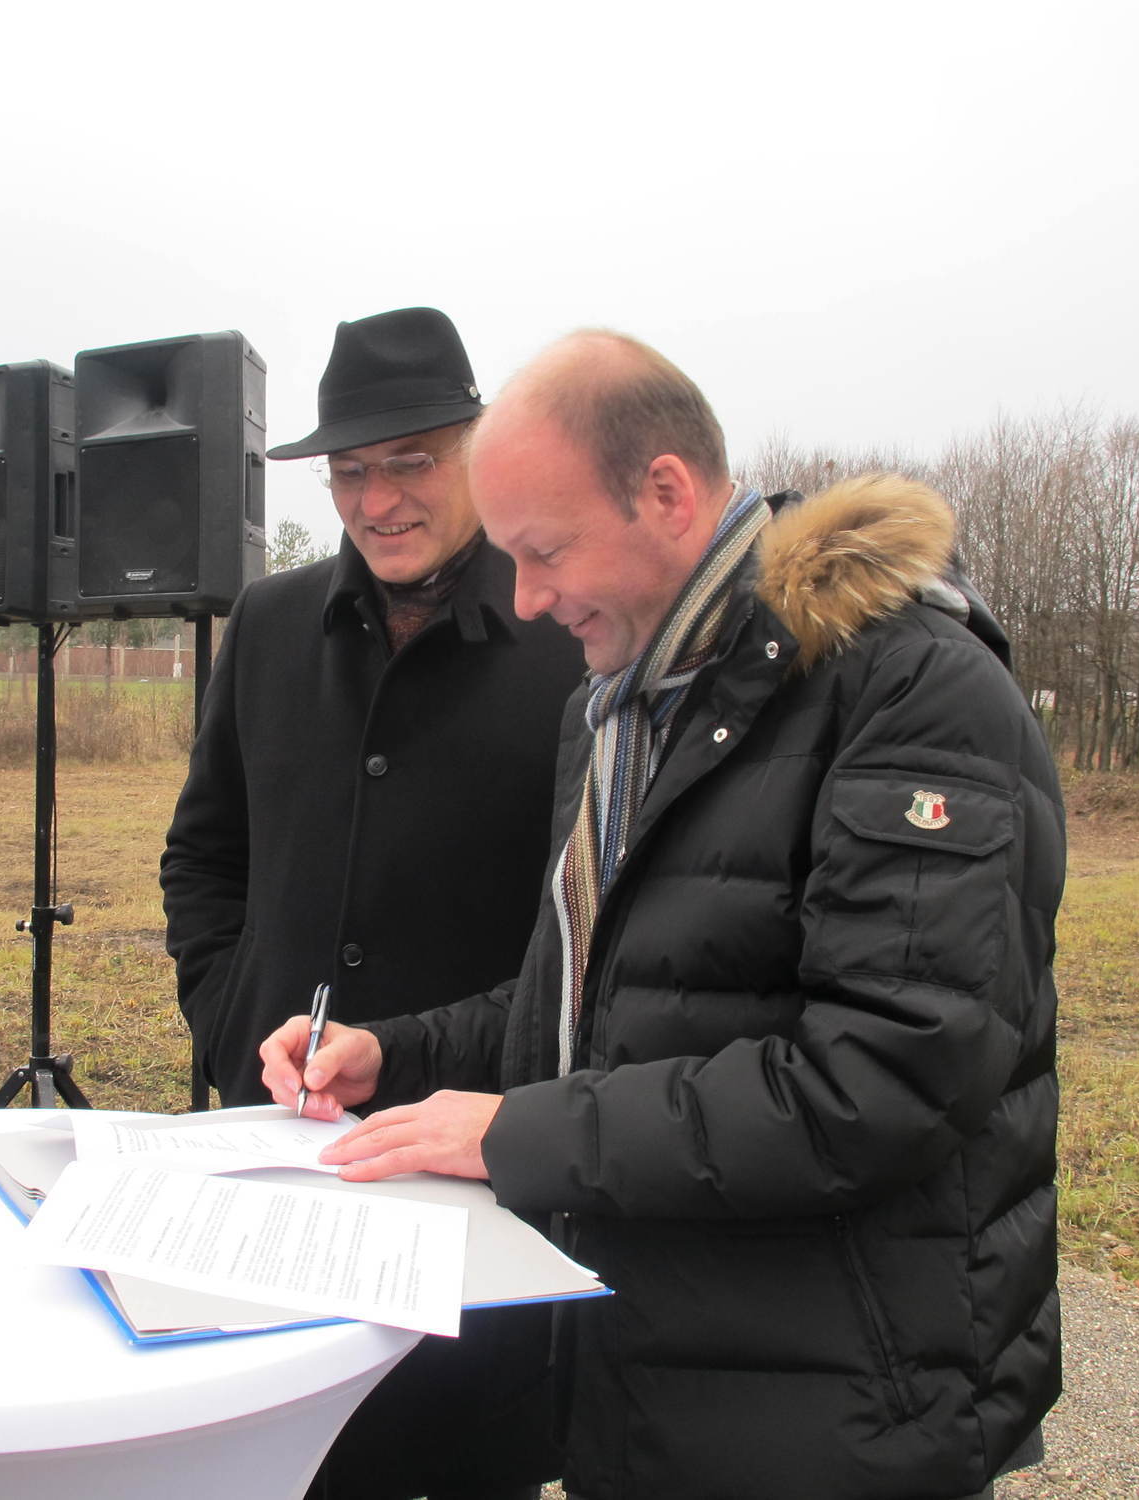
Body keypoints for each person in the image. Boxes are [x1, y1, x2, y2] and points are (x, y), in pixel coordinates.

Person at [263, 331, 1064, 1500]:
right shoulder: (617, 708)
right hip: (648, 1384)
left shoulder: (909, 689)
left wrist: (515, 1137)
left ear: (667, 494)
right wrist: (395, 1053)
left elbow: (885, 1080)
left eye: (543, 552)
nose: (525, 599)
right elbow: (593, 1004)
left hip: (835, 1416)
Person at [160, 308, 585, 1499]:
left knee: (469, 1462)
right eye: (350, 471)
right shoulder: (268, 623)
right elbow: (203, 857)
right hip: (282, 1153)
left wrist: (505, 1098)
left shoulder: (565, 637)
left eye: (411, 462)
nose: (377, 500)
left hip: (477, 1168)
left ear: (479, 452)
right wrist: (229, 1016)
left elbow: (582, 930)